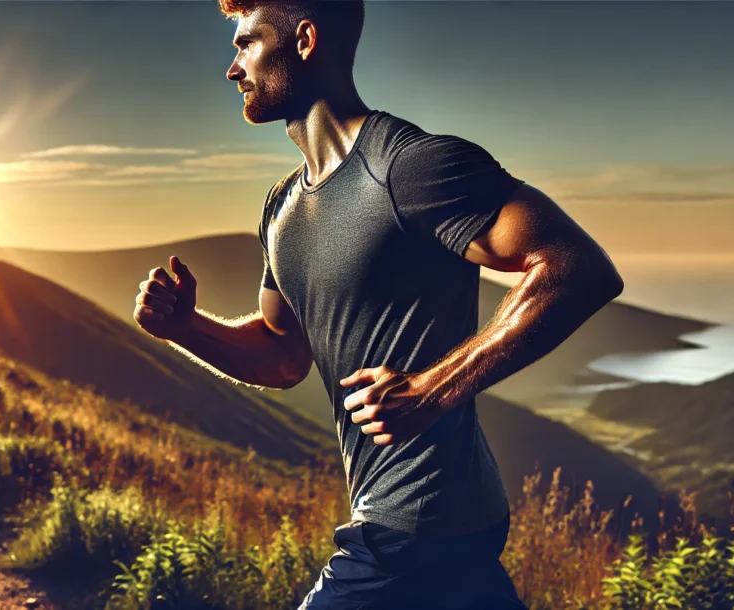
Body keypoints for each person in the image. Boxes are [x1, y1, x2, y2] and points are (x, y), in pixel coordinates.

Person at [133, 1, 624, 608]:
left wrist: (432, 390)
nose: (233, 69)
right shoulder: (282, 207)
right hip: (454, 523)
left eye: (247, 44)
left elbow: (575, 268)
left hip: (413, 526)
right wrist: (185, 328)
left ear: (304, 40)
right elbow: (283, 358)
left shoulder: (410, 167)